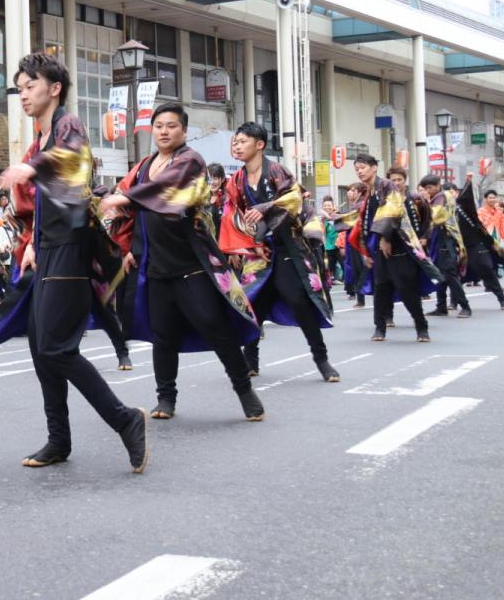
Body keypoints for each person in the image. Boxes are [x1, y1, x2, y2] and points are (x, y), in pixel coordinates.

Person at [0, 52, 148, 473]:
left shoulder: (66, 125)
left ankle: (125, 419)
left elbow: (73, 164)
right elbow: (45, 203)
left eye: (30, 85)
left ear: (54, 88)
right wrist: (32, 240)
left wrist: (29, 167)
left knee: (56, 346)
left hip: (71, 248)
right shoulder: (40, 137)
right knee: (41, 347)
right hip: (49, 248)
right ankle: (59, 439)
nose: (23, 93)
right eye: (19, 87)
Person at [101, 104, 263, 422]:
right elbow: (131, 207)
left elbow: (160, 191)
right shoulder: (145, 165)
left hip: (193, 264)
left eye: (171, 125)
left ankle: (245, 391)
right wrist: (132, 246)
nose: (164, 130)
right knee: (163, 335)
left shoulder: (190, 162)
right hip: (156, 266)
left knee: (217, 329)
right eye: (159, 125)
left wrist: (125, 198)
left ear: (184, 131)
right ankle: (166, 398)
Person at [220, 122, 338, 382]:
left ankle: (322, 359)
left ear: (259, 145)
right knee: (253, 305)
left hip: (287, 247)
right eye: (235, 141)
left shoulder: (276, 171)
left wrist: (264, 207)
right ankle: (250, 362)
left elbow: (294, 200)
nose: (236, 146)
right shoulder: (237, 180)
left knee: (299, 301)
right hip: (257, 251)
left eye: (242, 141)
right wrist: (247, 245)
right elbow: (232, 214)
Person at [348, 156, 440, 343]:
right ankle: (379, 328)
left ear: (374, 168)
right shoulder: (369, 192)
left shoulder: (387, 186)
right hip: (380, 252)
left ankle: (421, 326)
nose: (359, 171)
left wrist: (385, 237)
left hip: (400, 248)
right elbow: (364, 222)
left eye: (363, 167)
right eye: (357, 168)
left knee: (408, 290)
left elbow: (393, 212)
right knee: (380, 289)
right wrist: (366, 251)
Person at [446, 176, 504, 313]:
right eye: (446, 192)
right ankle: (454, 302)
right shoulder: (444, 210)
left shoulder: (464, 206)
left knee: (487, 271)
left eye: (452, 191)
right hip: (459, 248)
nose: (449, 194)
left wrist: (468, 182)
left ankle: (502, 299)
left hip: (476, 245)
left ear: (457, 193)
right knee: (457, 276)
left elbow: (467, 196)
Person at [418, 176, 471, 319]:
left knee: (450, 275)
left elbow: (434, 216)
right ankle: (441, 306)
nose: (428, 191)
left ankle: (465, 306)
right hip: (438, 239)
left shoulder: (441, 197)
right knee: (439, 274)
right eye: (426, 188)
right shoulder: (440, 196)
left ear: (437, 185)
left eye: (430, 187)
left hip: (445, 240)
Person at [320, 196, 343, 283]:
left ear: (333, 206)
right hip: (329, 246)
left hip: (339, 245)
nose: (327, 207)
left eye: (329, 205)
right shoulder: (322, 219)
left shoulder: (337, 215)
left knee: (344, 265)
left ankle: (351, 288)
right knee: (329, 266)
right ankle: (330, 281)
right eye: (325, 205)